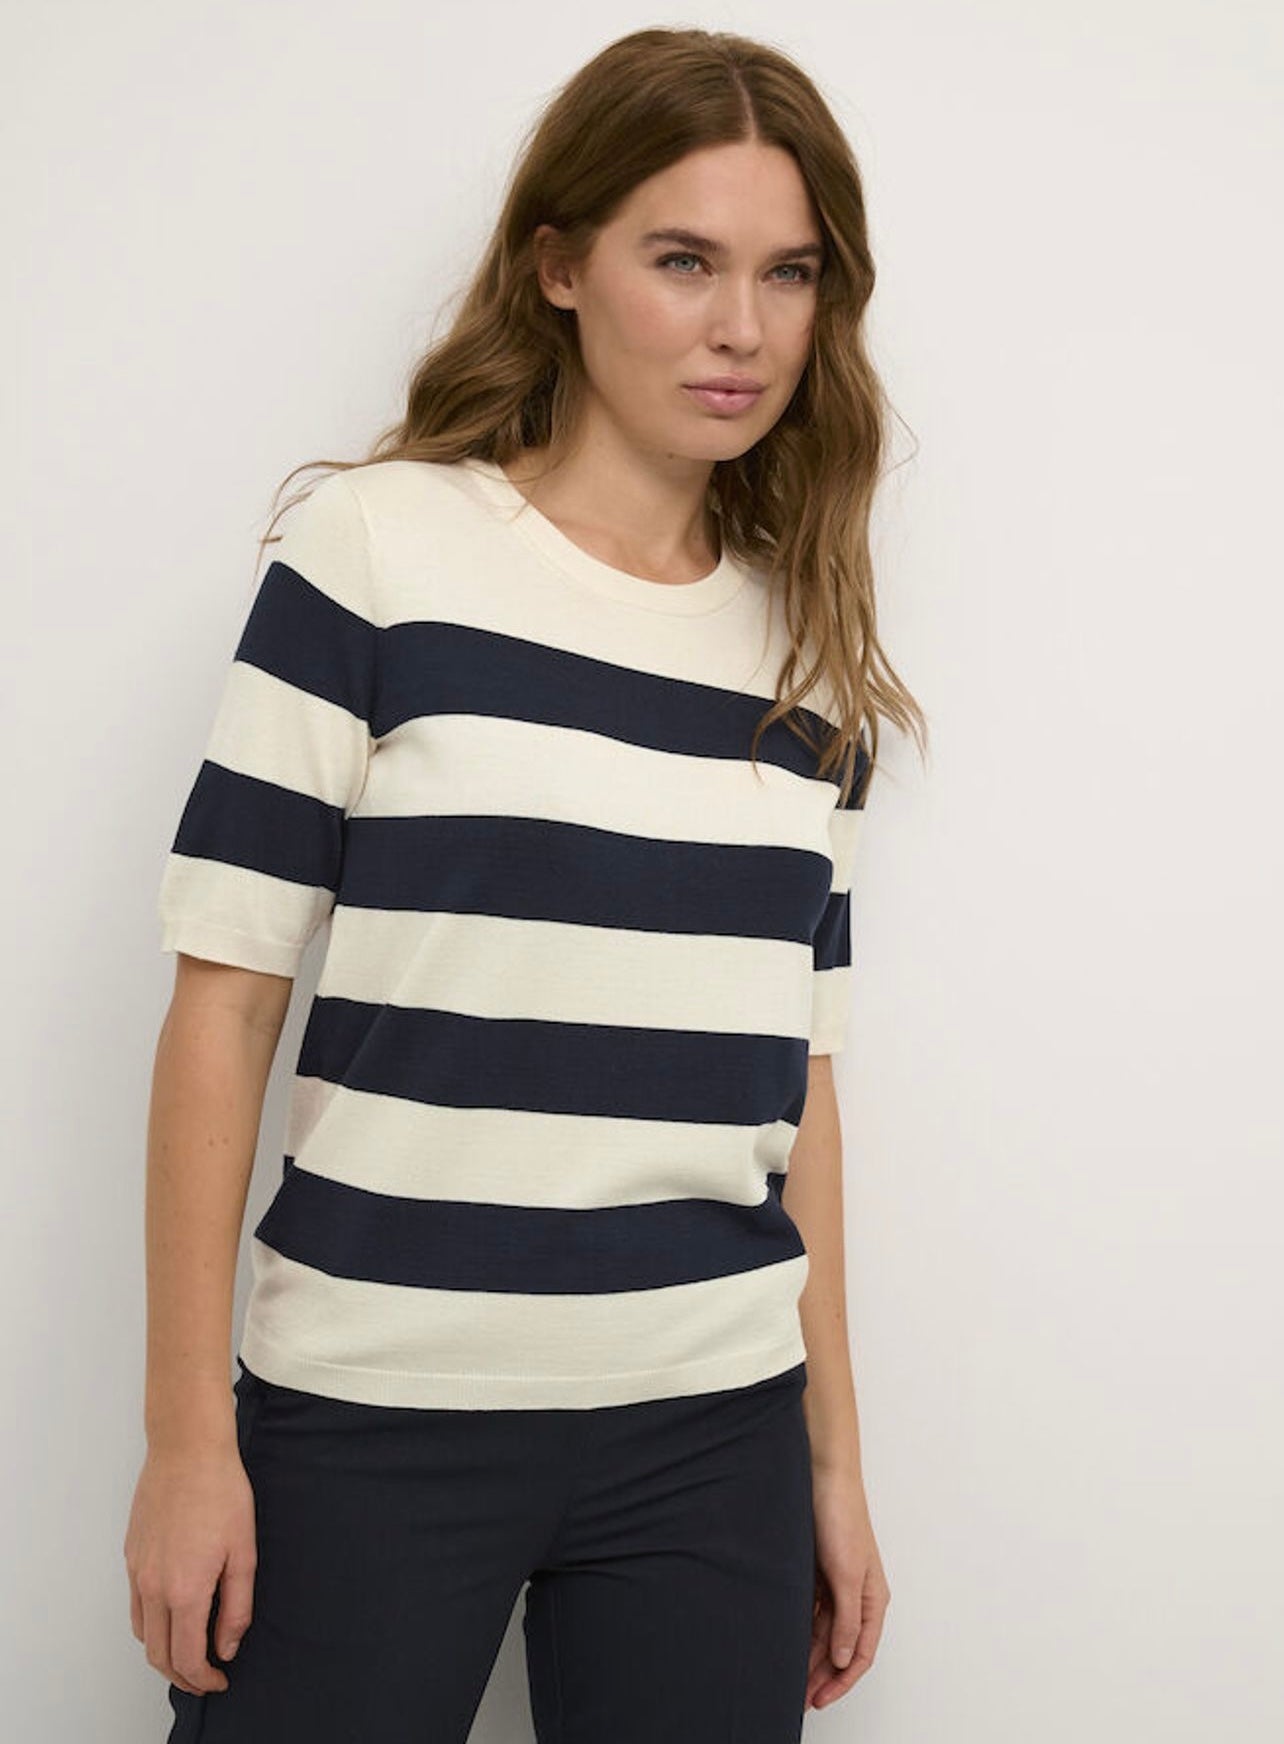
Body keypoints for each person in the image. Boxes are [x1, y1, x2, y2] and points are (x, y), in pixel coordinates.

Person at [123, 25, 926, 1744]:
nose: (743, 326)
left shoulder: (810, 657)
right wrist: (188, 1441)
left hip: (713, 1429)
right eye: (683, 260)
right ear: (559, 266)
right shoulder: (377, 553)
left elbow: (799, 1086)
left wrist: (833, 1466)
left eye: (790, 272)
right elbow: (224, 1006)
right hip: (375, 1412)